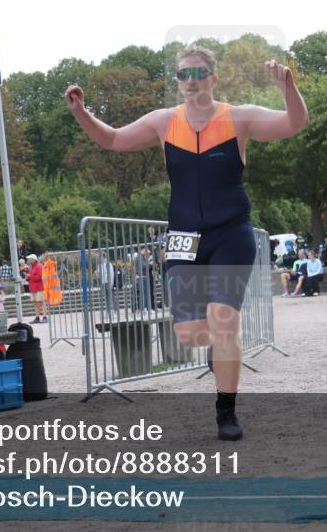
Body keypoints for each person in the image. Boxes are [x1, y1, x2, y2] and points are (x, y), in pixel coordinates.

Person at [66, 45, 308, 441]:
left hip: (231, 232)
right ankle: (218, 346)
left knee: (225, 320)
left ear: (213, 78)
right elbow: (110, 140)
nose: (191, 80)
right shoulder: (163, 122)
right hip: (183, 237)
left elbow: (294, 123)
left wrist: (288, 88)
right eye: (183, 74)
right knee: (192, 334)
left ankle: (225, 412)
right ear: (177, 82)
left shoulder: (239, 117)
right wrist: (80, 112)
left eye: (198, 73)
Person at [26, 253, 47, 323]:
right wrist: (27, 277)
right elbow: (31, 277)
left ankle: (44, 317)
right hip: (33, 288)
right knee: (35, 303)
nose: (28, 260)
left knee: (41, 302)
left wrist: (30, 276)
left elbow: (40, 277)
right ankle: (37, 317)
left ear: (33, 259)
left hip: (39, 288)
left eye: (29, 259)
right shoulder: (30, 267)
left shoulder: (39, 266)